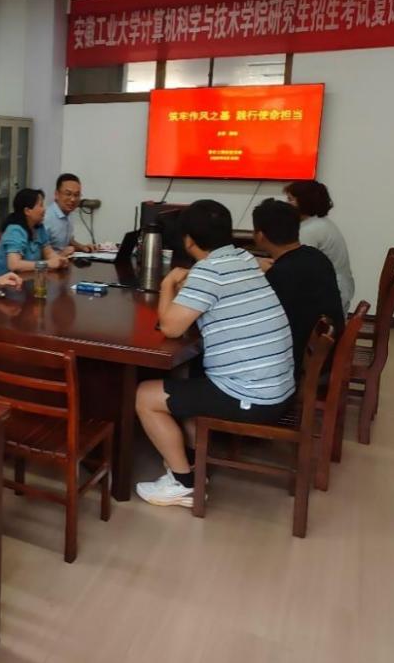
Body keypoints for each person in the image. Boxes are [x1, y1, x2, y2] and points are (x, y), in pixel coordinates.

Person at [134, 200, 295, 508]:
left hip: (252, 396)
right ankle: (192, 460)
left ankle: (183, 483)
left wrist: (167, 283)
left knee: (145, 396)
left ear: (188, 240)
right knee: (188, 378)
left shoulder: (210, 272)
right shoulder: (243, 257)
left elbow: (170, 327)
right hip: (277, 386)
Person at [253, 199, 345, 373]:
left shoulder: (280, 274)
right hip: (327, 354)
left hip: (297, 363)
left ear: (260, 236)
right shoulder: (316, 256)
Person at [284, 180, 354, 313]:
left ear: (304, 202)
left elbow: (296, 269)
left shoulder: (309, 230)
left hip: (328, 298)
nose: (286, 204)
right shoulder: (321, 223)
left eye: (290, 199)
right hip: (339, 291)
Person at [0, 188, 69, 276]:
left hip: (26, 278)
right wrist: (47, 264)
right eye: (41, 205)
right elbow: (14, 265)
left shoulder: (39, 227)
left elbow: (48, 253)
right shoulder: (15, 231)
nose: (44, 209)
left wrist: (59, 260)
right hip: (1, 282)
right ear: (27, 211)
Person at [44, 173, 94, 255]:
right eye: (68, 194)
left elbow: (67, 240)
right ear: (56, 194)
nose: (73, 199)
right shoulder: (46, 217)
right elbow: (37, 253)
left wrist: (83, 247)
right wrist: (61, 254)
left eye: (76, 195)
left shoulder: (68, 213)